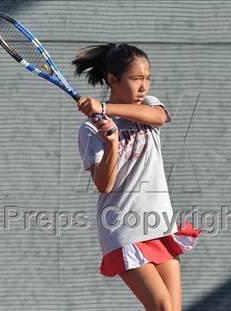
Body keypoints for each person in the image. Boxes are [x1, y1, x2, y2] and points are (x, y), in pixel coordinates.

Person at [74, 42, 201, 311]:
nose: (144, 87)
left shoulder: (149, 106)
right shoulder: (89, 129)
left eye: (147, 79)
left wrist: (105, 109)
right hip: (123, 228)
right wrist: (111, 142)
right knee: (163, 306)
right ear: (112, 80)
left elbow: (158, 117)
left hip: (160, 223)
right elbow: (104, 184)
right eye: (135, 79)